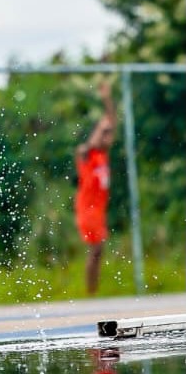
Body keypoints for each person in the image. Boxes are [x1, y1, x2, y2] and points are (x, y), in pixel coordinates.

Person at [75, 78, 117, 295]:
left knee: (98, 251)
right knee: (96, 249)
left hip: (98, 210)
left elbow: (112, 121)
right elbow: (94, 139)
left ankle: (93, 291)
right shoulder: (87, 154)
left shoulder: (102, 156)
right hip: (87, 209)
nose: (109, 137)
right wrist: (101, 128)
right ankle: (90, 291)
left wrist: (107, 98)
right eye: (104, 133)